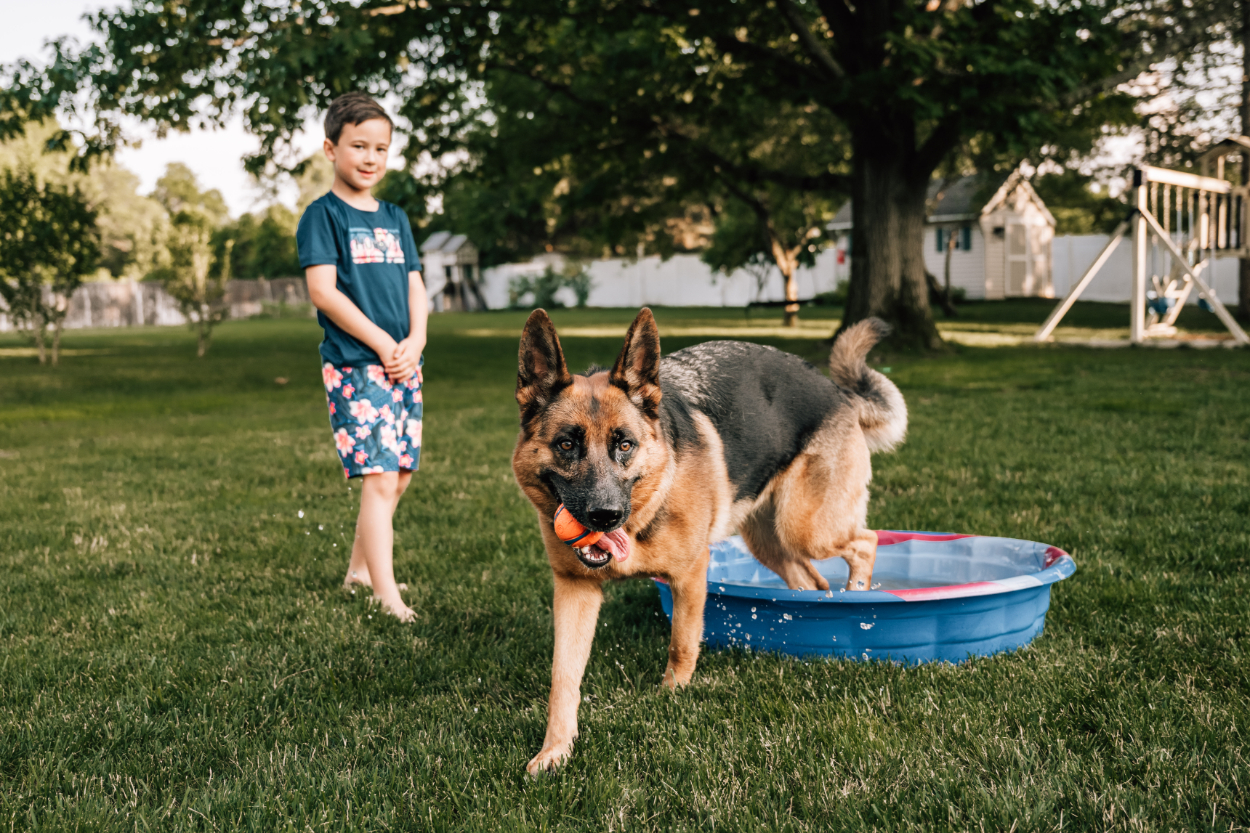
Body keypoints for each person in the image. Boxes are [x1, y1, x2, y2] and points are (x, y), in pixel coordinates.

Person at [297, 92, 428, 622]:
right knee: (377, 477)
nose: (370, 157)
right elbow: (324, 292)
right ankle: (385, 593)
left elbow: (416, 284)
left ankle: (357, 569)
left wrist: (417, 339)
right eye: (358, 146)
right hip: (357, 363)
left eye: (381, 148)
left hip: (405, 361)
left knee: (397, 475)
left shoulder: (395, 216)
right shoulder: (322, 216)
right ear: (331, 148)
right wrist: (381, 342)